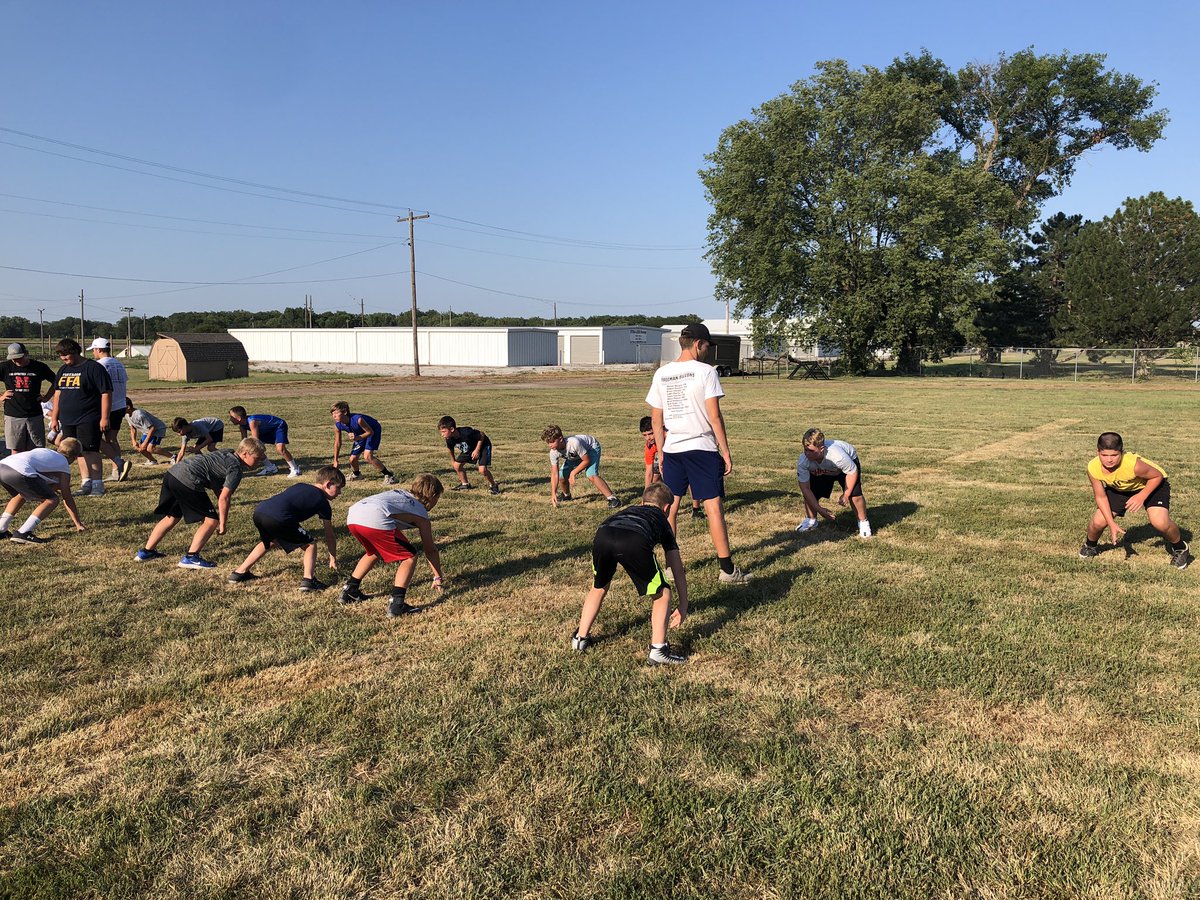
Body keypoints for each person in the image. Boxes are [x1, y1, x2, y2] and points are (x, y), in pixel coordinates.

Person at [645, 322, 751, 584]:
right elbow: (714, 416)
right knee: (713, 507)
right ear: (697, 344)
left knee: (670, 508)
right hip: (701, 448)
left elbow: (656, 421)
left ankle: (670, 567)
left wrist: (660, 453)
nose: (707, 352)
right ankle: (727, 570)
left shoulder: (661, 374)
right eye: (706, 346)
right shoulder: (706, 372)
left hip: (672, 449)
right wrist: (725, 451)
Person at [571, 482, 690, 665]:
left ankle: (580, 639)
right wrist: (683, 604)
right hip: (634, 539)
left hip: (603, 533)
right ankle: (658, 649)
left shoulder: (630, 509)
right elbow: (676, 567)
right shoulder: (662, 521)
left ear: (642, 502)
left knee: (599, 586)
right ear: (666, 508)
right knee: (662, 594)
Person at [135, 437, 266, 569]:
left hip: (172, 474)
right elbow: (224, 498)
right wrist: (222, 523)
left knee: (172, 516)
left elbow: (216, 482)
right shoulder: (236, 469)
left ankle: (146, 552)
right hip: (188, 479)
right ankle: (191, 557)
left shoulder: (227, 452)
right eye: (257, 457)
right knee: (211, 521)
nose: (260, 461)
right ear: (244, 454)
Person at [341, 473, 446, 617]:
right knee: (409, 556)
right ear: (433, 495)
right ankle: (397, 604)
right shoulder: (421, 512)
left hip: (354, 515)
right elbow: (430, 549)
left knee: (374, 552)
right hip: (375, 516)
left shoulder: (401, 493)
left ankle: (349, 591)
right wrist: (438, 576)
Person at [1081, 431, 1189, 569]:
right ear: (1098, 452)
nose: (1109, 460)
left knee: (1159, 521)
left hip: (1152, 484)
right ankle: (1090, 546)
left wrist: (1141, 496)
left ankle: (1180, 548)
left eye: (1114, 455)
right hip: (1121, 488)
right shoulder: (1093, 467)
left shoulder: (1133, 464)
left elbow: (1157, 476)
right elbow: (1100, 496)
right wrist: (1111, 523)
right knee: (1098, 521)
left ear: (1122, 452)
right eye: (1104, 455)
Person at [228, 466, 345, 591]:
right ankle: (308, 581)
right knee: (310, 544)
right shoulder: (323, 502)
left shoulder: (300, 485)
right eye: (338, 488)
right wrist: (332, 559)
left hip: (260, 511)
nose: (339, 493)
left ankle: (239, 573)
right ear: (328, 484)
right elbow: (329, 534)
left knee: (270, 542)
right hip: (279, 517)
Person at [49, 338, 112, 497]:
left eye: (66, 355)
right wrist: (55, 418)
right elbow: (57, 394)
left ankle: (98, 484)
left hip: (89, 417)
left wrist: (104, 417)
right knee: (77, 452)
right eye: (60, 356)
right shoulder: (63, 370)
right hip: (68, 419)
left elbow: (106, 393)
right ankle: (86, 482)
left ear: (75, 352)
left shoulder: (93, 368)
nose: (63, 359)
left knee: (90, 450)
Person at [0, 437, 85, 543]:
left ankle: (1, 528)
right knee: (52, 500)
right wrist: (78, 523)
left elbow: (38, 478)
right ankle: (23, 533)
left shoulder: (47, 452)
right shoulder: (63, 464)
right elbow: (67, 497)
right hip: (20, 470)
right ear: (75, 457)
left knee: (21, 494)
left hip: (4, 465)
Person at [795, 428, 873, 538]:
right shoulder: (803, 461)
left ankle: (863, 522)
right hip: (823, 468)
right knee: (811, 492)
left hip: (846, 466)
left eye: (811, 451)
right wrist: (819, 509)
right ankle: (811, 520)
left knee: (855, 494)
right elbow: (805, 489)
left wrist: (846, 494)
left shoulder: (838, 456)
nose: (807, 454)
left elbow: (852, 471)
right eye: (805, 450)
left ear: (821, 449)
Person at [640, 415, 703, 519]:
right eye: (645, 435)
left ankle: (696, 508)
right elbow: (648, 472)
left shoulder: (670, 436)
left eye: (650, 433)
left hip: (680, 455)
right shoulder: (650, 446)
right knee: (655, 477)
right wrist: (645, 497)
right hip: (663, 457)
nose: (648, 438)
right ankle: (660, 501)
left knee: (689, 480)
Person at [541, 425, 619, 508]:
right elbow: (554, 473)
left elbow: (586, 460)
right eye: (548, 442)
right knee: (561, 476)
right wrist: (553, 493)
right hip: (576, 455)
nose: (550, 445)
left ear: (560, 439)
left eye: (552, 442)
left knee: (591, 474)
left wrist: (573, 473)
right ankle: (566, 495)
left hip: (591, 449)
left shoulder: (574, 443)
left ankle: (613, 499)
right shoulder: (553, 452)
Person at [88, 338, 132, 483]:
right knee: (112, 439)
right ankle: (117, 470)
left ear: (98, 349)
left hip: (105, 408)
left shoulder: (98, 365)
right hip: (120, 405)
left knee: (93, 437)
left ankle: (116, 463)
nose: (93, 353)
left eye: (94, 350)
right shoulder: (119, 363)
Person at [1, 342, 56, 454]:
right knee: (16, 448)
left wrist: (46, 397)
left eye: (19, 358)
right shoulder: (5, 367)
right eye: (13, 359)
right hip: (13, 414)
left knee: (36, 449)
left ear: (26, 354)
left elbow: (56, 382)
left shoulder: (39, 367)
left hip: (34, 414)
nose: (16, 361)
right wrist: (1, 396)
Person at [330, 401, 396, 483]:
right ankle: (357, 475)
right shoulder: (338, 425)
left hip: (373, 430)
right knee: (352, 459)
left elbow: (370, 432)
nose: (334, 416)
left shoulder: (358, 419)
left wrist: (357, 438)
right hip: (360, 434)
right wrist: (335, 460)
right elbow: (337, 443)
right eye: (332, 414)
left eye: (336, 413)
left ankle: (389, 475)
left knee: (367, 456)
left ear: (345, 412)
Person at [228, 406, 302, 477]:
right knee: (256, 449)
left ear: (239, 418)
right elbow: (244, 442)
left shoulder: (252, 421)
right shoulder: (242, 426)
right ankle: (270, 467)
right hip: (265, 431)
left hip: (278, 426)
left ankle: (295, 469)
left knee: (280, 448)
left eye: (232, 417)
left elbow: (255, 440)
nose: (230, 419)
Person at [437, 415, 500, 494]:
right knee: (457, 465)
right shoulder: (449, 439)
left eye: (443, 432)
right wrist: (453, 461)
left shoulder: (466, 432)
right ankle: (465, 484)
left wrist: (477, 450)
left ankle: (494, 485)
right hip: (469, 448)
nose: (442, 434)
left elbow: (481, 435)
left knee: (482, 470)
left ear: (452, 429)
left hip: (482, 444)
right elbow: (450, 449)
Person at [125, 398, 174, 464]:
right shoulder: (127, 415)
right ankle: (152, 461)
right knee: (141, 448)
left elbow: (152, 428)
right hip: (148, 431)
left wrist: (145, 443)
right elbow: (133, 428)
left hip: (158, 429)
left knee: (150, 448)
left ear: (128, 407)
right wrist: (134, 441)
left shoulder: (139, 415)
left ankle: (173, 457)